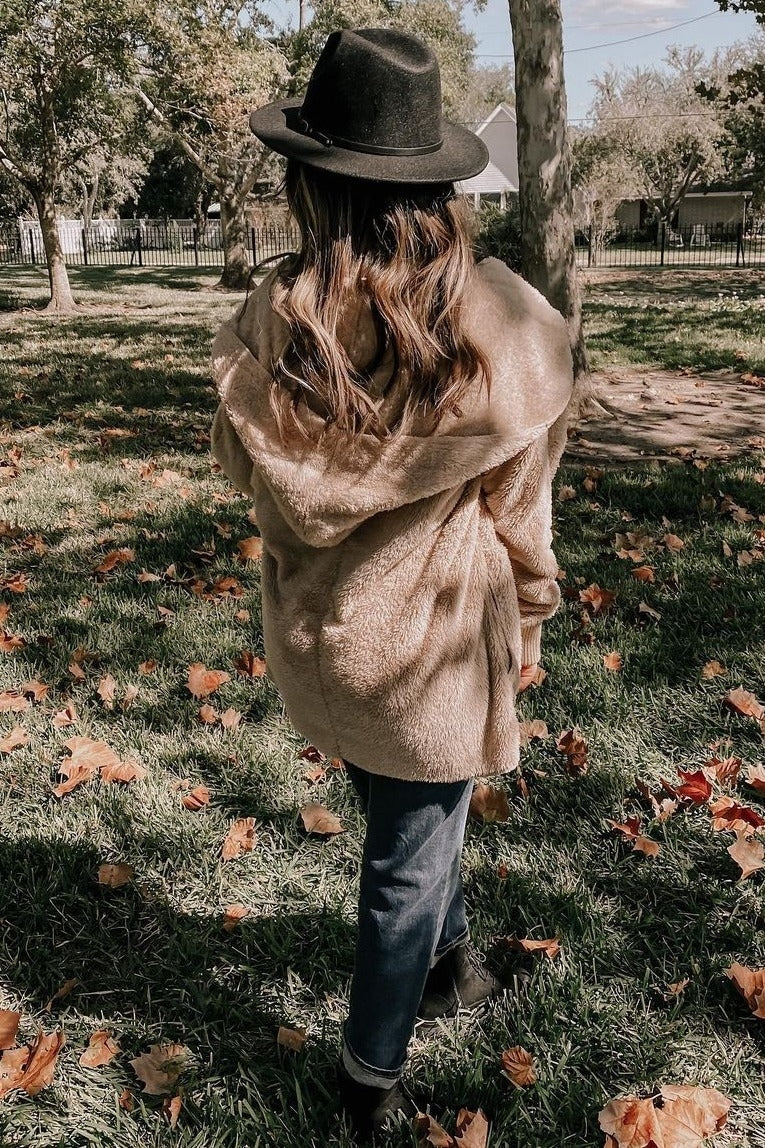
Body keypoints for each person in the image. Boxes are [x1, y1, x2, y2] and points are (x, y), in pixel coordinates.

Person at [210, 26, 574, 1143]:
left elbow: (248, 473)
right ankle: (369, 1080)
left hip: (325, 638)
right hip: (429, 652)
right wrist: (533, 614)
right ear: (434, 187)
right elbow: (519, 505)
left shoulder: (278, 319)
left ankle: (451, 966)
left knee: (408, 819)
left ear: (310, 184)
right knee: (403, 867)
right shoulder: (500, 326)